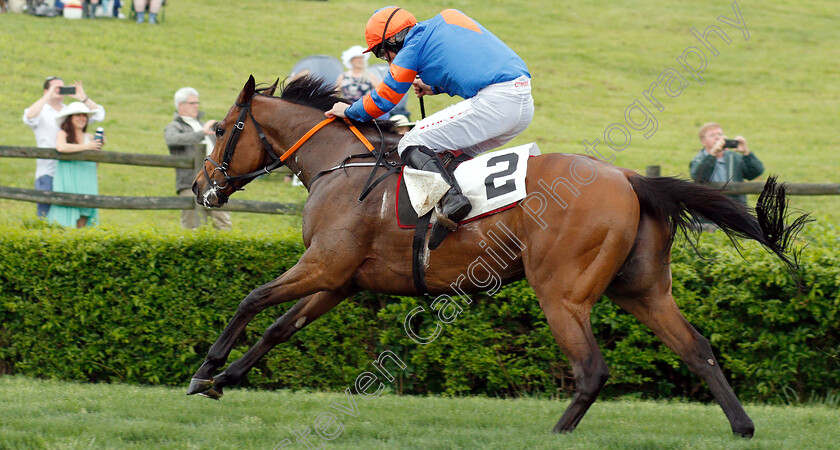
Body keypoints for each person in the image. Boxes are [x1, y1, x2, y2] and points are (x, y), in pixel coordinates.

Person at [325, 7, 533, 249]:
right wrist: (433, 87)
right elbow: (464, 61)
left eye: (383, 52)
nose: (388, 60)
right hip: (522, 104)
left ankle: (453, 201)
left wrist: (348, 111)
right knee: (451, 155)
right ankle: (460, 218)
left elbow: (384, 100)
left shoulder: (410, 49)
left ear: (394, 39)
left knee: (410, 142)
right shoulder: (449, 17)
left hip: (497, 102)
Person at [23, 77, 105, 218]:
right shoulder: (42, 111)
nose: (59, 90)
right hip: (49, 169)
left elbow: (99, 115)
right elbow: (29, 116)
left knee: (69, 213)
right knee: (46, 211)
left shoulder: (70, 111)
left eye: (62, 87)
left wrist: (83, 98)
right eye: (55, 87)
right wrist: (48, 96)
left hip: (72, 171)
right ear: (46, 90)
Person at [164, 87, 232, 230]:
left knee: (223, 224)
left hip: (214, 183)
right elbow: (172, 140)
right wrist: (202, 133)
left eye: (197, 102)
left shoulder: (204, 125)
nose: (196, 106)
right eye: (192, 103)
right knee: (193, 227)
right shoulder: (174, 126)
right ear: (180, 105)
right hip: (190, 183)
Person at [690, 122, 764, 232]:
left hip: (735, 212)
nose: (717, 138)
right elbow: (699, 176)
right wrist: (713, 154)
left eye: (720, 134)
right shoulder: (698, 159)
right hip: (707, 215)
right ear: (703, 141)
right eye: (712, 135)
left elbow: (755, 172)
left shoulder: (734, 157)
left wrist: (746, 153)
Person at [47, 102, 104, 228]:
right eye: (78, 115)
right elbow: (61, 147)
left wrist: (96, 149)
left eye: (84, 115)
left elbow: (95, 165)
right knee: (64, 215)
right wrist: (86, 147)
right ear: (70, 118)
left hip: (86, 179)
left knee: (83, 215)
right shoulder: (63, 134)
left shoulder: (89, 137)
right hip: (69, 179)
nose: (82, 118)